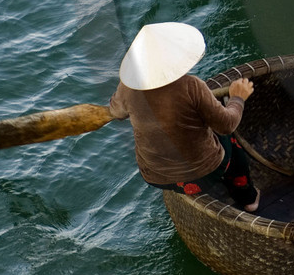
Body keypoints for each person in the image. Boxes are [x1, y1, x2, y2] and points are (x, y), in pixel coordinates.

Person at [108, 22, 261, 211]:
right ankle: (248, 199)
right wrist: (238, 97)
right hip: (204, 173)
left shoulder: (128, 88)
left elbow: (116, 112)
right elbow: (226, 125)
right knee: (231, 142)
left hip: (155, 175)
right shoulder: (192, 86)